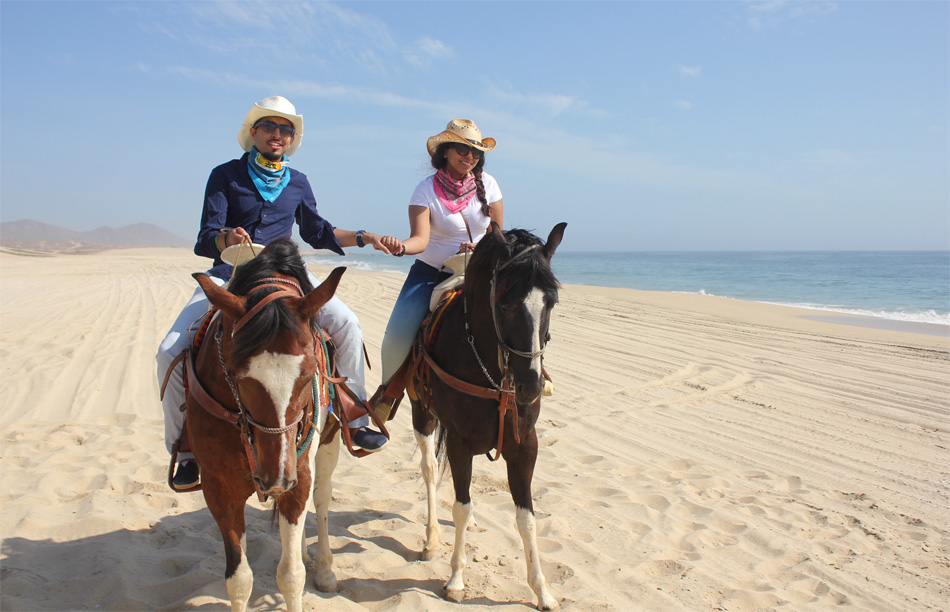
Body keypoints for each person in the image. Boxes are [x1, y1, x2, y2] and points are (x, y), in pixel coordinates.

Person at [158, 95, 403, 490]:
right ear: (252, 132)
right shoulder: (224, 175)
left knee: (348, 324)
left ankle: (355, 416)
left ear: (292, 138)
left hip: (285, 279)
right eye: (269, 127)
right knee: (169, 350)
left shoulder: (299, 182)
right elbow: (205, 237)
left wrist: (365, 237)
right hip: (232, 275)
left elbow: (318, 231)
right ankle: (184, 447)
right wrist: (226, 237)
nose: (277, 134)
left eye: (285, 129)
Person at [374, 119, 502, 419]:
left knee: (522, 312)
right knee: (396, 335)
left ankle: (535, 374)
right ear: (445, 151)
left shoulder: (490, 184)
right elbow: (420, 240)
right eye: (462, 149)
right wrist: (401, 247)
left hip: (479, 269)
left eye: (475, 153)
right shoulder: (424, 191)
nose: (469, 157)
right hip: (431, 272)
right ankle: (387, 393)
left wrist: (481, 248)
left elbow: (498, 234)